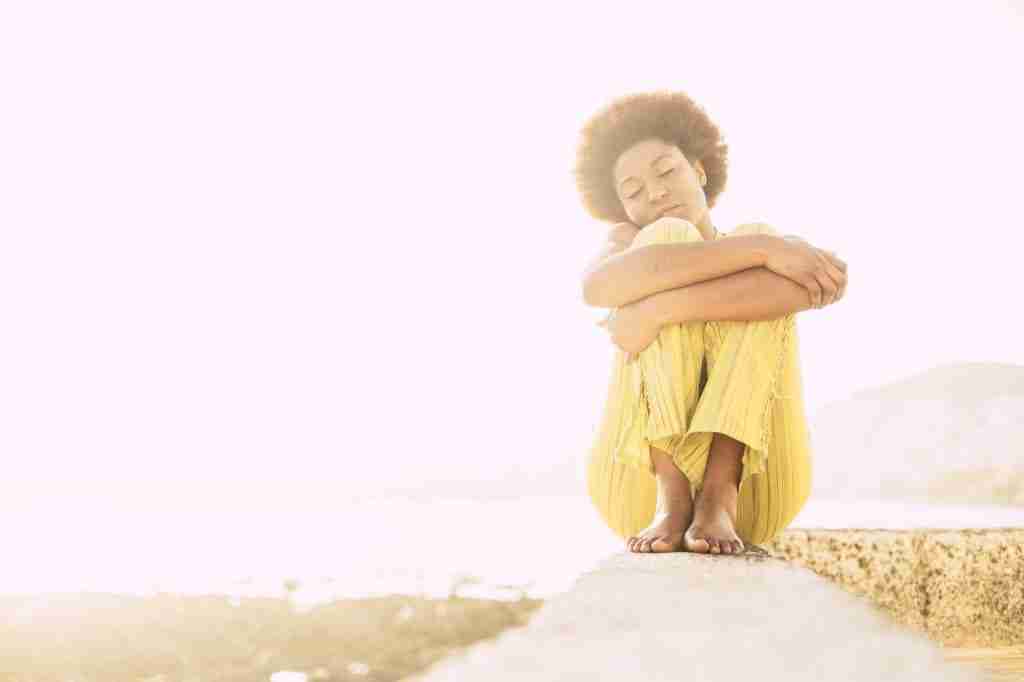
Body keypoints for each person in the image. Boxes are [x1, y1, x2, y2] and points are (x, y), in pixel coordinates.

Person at [574, 90, 848, 555]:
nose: (656, 192)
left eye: (666, 171)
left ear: (699, 171)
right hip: (636, 488)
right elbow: (596, 288)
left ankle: (721, 489)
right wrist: (764, 255)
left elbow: (821, 284)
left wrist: (656, 309)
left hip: (758, 489)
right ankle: (673, 494)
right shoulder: (628, 241)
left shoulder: (769, 246)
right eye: (634, 191)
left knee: (754, 240)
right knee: (666, 240)